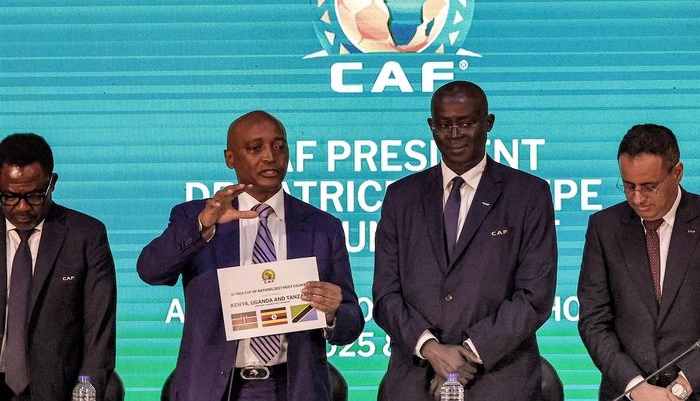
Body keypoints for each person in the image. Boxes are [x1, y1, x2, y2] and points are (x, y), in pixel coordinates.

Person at [137, 111, 363, 401]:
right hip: (214, 390)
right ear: (230, 158)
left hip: (294, 389)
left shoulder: (322, 227)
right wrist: (203, 225)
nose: (270, 157)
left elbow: (351, 324)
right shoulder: (196, 217)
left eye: (279, 147)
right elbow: (151, 271)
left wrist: (332, 313)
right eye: (256, 148)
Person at [373, 80, 558, 400]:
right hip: (415, 382)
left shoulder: (528, 194)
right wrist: (431, 349)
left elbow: (534, 296)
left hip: (499, 381)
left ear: (488, 123)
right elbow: (385, 294)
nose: (455, 134)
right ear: (431, 126)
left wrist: (467, 355)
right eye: (445, 125)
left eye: (466, 123)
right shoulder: (401, 197)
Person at [578, 124, 699, 401]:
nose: (637, 198)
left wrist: (684, 384)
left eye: (649, 187)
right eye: (628, 186)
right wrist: (635, 386)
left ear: (677, 173)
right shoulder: (604, 228)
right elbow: (593, 320)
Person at [0, 133, 116, 400]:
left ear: (52, 183)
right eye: (9, 196)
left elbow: (99, 333)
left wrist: (87, 394)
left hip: (57, 391)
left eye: (34, 196)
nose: (22, 207)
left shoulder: (86, 236)